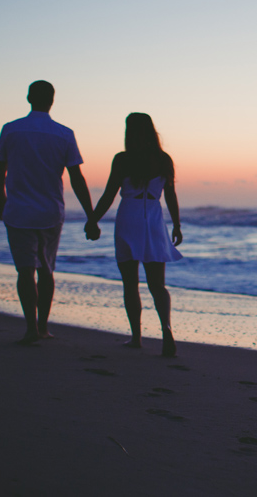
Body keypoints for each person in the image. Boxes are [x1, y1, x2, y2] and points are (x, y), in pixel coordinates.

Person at [0, 80, 98, 345]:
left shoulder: (11, 129)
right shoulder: (64, 133)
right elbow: (77, 178)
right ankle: (43, 327)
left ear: (29, 97)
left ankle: (30, 327)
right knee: (47, 270)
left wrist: (2, 201)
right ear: (52, 100)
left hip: (18, 211)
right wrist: (91, 215)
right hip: (50, 212)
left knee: (25, 271)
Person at [87, 113, 183, 357]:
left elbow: (109, 193)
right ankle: (167, 330)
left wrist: (93, 219)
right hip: (153, 220)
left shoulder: (123, 159)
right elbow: (170, 194)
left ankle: (137, 337)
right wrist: (177, 225)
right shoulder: (163, 159)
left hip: (129, 218)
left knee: (131, 284)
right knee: (157, 285)